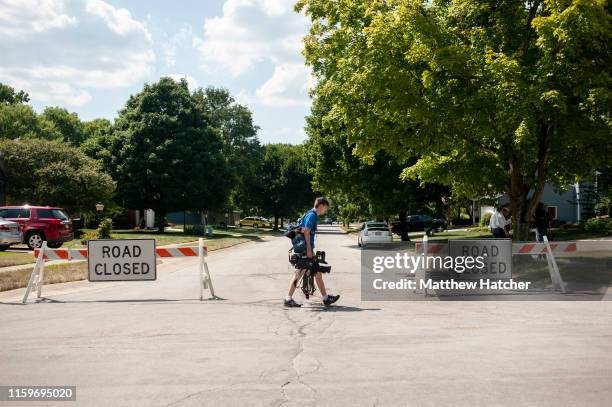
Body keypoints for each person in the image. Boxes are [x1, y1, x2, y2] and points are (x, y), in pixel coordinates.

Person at [284, 197, 340, 307]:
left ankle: (326, 298)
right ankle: (288, 298)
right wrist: (309, 249)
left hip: (305, 249)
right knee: (299, 273)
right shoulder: (312, 215)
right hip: (305, 250)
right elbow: (306, 231)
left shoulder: (309, 214)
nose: (325, 211)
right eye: (326, 208)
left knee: (317, 272)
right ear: (321, 206)